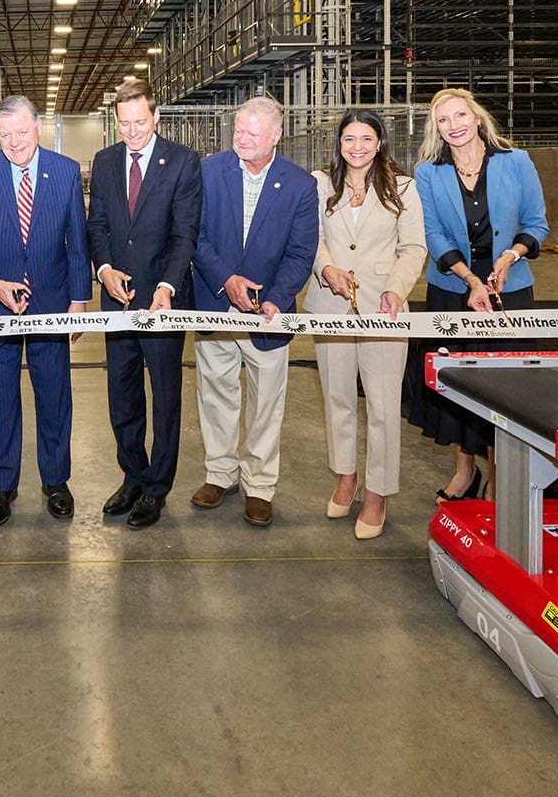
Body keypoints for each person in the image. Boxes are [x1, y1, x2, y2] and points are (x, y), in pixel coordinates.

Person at [404, 87, 551, 503]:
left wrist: (509, 257)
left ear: (478, 118)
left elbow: (537, 224)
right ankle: (465, 471)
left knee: (505, 387)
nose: (454, 125)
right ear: (436, 129)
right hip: (453, 288)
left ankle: (499, 475)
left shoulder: (516, 162)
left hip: (509, 288)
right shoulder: (428, 173)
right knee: (456, 385)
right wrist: (470, 280)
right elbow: (433, 234)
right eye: (443, 120)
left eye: (460, 115)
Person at [0, 95, 91, 527]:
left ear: (39, 127)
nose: (14, 142)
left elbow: (77, 241)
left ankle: (56, 481)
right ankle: (2, 485)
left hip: (51, 301)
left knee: (54, 396)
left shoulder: (65, 171)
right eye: (5, 135)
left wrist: (79, 299)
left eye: (22, 132)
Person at [189, 96, 319, 528]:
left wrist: (277, 297)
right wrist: (226, 279)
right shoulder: (207, 172)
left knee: (266, 402)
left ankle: (259, 486)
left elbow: (301, 253)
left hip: (269, 313)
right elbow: (194, 235)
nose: (241, 139)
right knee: (215, 393)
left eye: (252, 133)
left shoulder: (300, 185)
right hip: (215, 302)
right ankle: (220, 474)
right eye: (238, 130)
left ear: (276, 136)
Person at [86, 79, 202, 530]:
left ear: (156, 117)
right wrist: (104, 270)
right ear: (115, 121)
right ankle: (133, 475)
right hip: (116, 300)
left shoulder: (183, 161)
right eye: (124, 123)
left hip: (162, 302)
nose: (132, 131)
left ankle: (157, 486)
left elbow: (185, 233)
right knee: (122, 394)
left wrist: (168, 286)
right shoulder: (104, 161)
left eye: (140, 122)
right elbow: (97, 225)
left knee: (165, 397)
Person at [307, 110, 426, 540]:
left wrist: (396, 289)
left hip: (383, 310)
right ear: (339, 143)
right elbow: (312, 238)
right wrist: (326, 270)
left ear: (379, 143)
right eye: (349, 139)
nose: (357, 147)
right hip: (330, 306)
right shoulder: (320, 185)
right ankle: (346, 477)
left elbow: (413, 248)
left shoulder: (403, 188)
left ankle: (378, 492)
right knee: (337, 398)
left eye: (366, 139)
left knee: (383, 406)